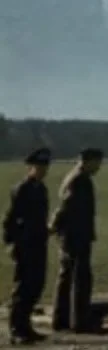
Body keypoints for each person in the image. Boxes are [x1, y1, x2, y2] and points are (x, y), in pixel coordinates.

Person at [49, 147, 103, 333]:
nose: (99, 167)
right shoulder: (81, 180)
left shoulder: (71, 177)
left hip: (68, 236)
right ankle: (80, 322)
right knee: (81, 279)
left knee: (66, 277)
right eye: (97, 163)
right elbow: (66, 206)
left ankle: (60, 319)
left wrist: (55, 228)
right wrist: (54, 225)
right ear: (89, 161)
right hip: (77, 237)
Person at [3, 147, 52, 344]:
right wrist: (11, 242)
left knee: (35, 286)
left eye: (45, 167)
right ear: (31, 167)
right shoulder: (22, 189)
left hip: (39, 243)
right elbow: (10, 219)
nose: (42, 170)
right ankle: (16, 329)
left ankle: (26, 326)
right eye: (39, 167)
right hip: (25, 245)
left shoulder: (41, 189)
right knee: (23, 288)